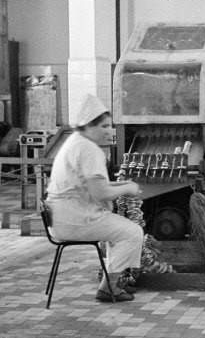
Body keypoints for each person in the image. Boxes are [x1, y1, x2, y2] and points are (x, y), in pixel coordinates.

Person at [45, 94, 143, 302]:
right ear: (89, 125)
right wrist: (128, 189)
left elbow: (92, 186)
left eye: (110, 126)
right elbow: (101, 193)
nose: (109, 131)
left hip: (62, 216)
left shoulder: (74, 141)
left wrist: (122, 185)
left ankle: (112, 281)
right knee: (133, 233)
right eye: (104, 127)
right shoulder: (89, 149)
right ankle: (109, 287)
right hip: (75, 219)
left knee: (117, 229)